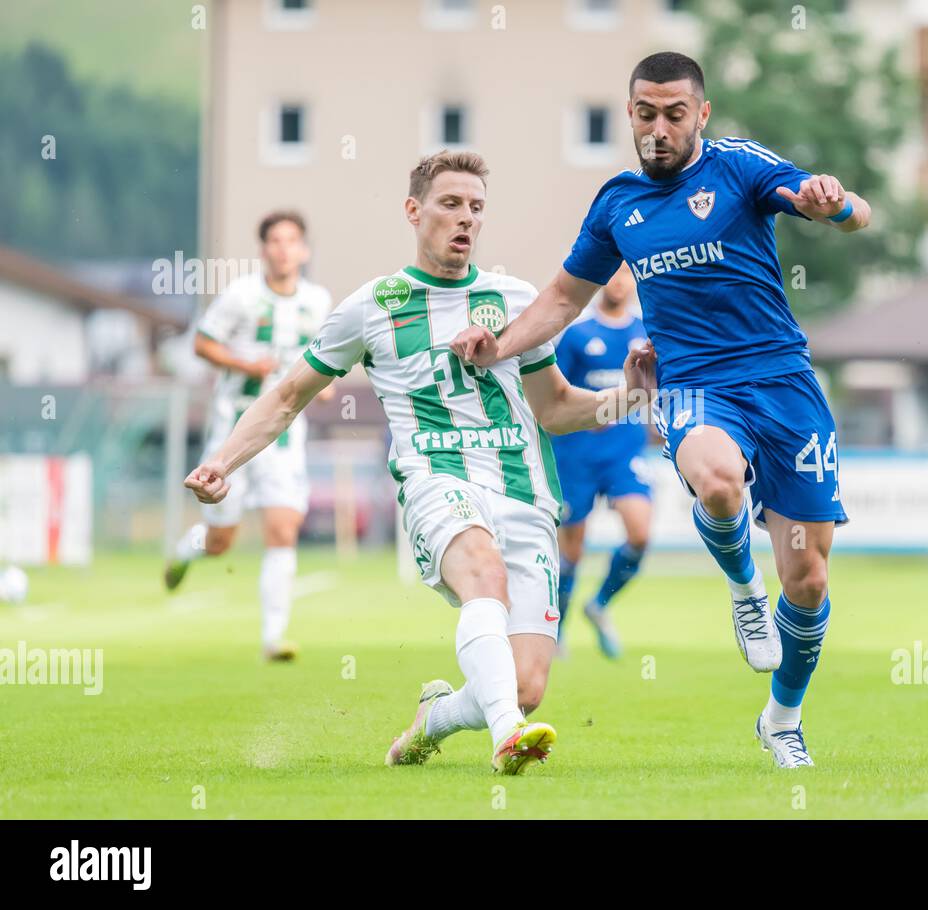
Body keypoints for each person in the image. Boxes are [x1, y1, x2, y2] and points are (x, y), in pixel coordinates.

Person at [451, 52, 872, 767]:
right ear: (630, 115)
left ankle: (782, 718)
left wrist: (834, 204)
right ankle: (743, 588)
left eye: (675, 114)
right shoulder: (618, 204)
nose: (659, 128)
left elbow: (849, 213)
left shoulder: (738, 167)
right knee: (717, 481)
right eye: (645, 114)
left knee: (809, 580)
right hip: (693, 384)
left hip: (783, 381)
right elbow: (560, 298)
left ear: (701, 115)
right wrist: (499, 347)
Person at [184, 150, 655, 774]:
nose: (466, 219)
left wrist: (630, 397)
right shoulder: (372, 304)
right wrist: (223, 462)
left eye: (477, 208)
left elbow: (556, 408)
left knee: (524, 685)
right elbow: (287, 396)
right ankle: (507, 737)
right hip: (437, 480)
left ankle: (440, 718)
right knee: (482, 576)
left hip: (526, 491)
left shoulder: (516, 300)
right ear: (414, 211)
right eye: (451, 204)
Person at [165, 211, 333, 662]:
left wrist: (324, 384)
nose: (283, 249)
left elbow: (326, 359)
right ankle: (187, 551)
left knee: (283, 529)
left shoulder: (318, 301)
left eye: (291, 241)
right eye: (274, 241)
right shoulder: (241, 294)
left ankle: (273, 638)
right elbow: (202, 343)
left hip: (285, 439)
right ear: (263, 251)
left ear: (304, 250)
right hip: (234, 430)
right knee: (221, 543)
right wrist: (245, 365)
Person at [551, 262, 654, 659]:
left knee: (640, 533)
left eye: (626, 273)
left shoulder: (645, 334)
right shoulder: (578, 335)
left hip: (624, 451)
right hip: (576, 454)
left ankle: (600, 604)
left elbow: (655, 388)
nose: (617, 280)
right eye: (610, 272)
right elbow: (556, 394)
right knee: (572, 550)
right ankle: (557, 630)